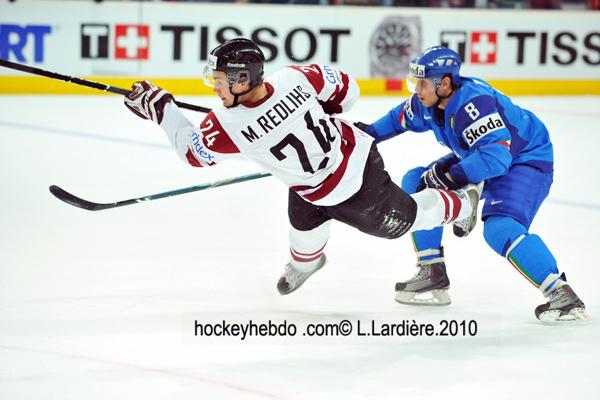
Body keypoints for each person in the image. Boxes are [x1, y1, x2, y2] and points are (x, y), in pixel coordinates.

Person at [122, 38, 481, 297]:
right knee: (303, 224)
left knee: (407, 219)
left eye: (218, 81)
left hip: (358, 182)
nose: (214, 87)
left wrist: (162, 108)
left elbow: (193, 154)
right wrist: (324, 111)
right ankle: (306, 265)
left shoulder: (227, 126)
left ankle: (463, 203)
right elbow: (348, 90)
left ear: (242, 80)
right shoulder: (293, 77)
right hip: (316, 180)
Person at [354, 46, 589, 323]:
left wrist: (451, 178)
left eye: (423, 83)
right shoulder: (427, 101)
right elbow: (398, 119)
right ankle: (432, 271)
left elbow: (497, 158)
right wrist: (365, 136)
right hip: (484, 154)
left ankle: (560, 293)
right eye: (415, 82)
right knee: (416, 183)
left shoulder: (473, 104)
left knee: (500, 228)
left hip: (526, 160)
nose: (416, 90)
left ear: (444, 83)